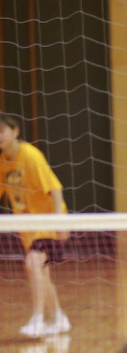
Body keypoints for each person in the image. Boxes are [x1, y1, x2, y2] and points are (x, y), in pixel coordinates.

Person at [0, 115, 71, 338]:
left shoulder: (31, 156)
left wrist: (59, 221)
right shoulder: (2, 162)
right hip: (27, 227)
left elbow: (56, 189)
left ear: (15, 132)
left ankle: (38, 320)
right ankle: (59, 319)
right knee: (41, 273)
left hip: (48, 221)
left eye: (1, 130)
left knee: (32, 264)